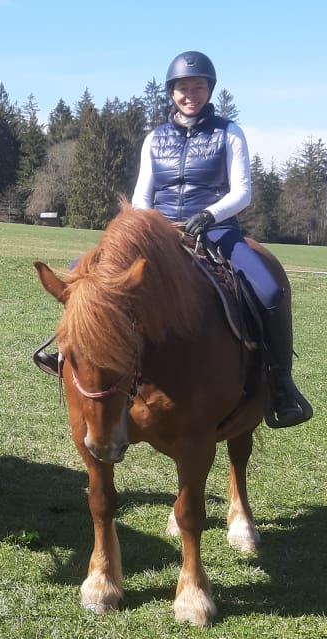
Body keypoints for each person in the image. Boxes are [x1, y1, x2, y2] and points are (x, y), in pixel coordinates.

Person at [33, 51, 311, 428]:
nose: (190, 95)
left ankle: (281, 384)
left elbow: (242, 192)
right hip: (160, 233)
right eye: (183, 88)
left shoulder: (229, 133)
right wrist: (147, 227)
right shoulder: (155, 138)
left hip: (216, 230)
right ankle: (70, 355)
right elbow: (142, 195)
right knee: (81, 275)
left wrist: (209, 215)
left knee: (269, 290)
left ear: (209, 90)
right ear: (171, 93)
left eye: (198, 87)